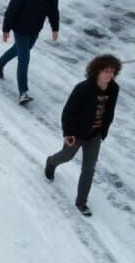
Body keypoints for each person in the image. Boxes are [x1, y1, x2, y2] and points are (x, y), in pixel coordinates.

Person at [44, 54, 121, 217]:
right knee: (67, 156)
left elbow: (109, 111)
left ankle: (81, 201)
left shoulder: (113, 89)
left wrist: (103, 131)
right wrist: (68, 133)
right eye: (105, 71)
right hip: (77, 133)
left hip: (95, 135)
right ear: (96, 71)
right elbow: (68, 112)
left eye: (112, 72)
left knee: (89, 169)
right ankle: (51, 162)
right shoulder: (83, 88)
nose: (109, 75)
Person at [0, 0, 60, 105]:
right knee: (24, 58)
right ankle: (23, 92)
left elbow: (53, 9)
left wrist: (55, 28)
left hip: (35, 28)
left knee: (20, 50)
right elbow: (12, 9)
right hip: (20, 28)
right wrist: (6, 29)